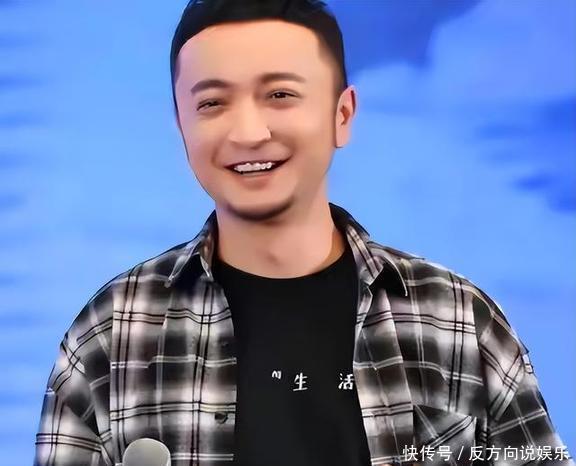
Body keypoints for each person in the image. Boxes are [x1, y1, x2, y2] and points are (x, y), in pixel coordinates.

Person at [34, 1, 573, 465]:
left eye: (280, 95)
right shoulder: (111, 332)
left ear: (343, 114)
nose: (249, 132)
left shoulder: (456, 317)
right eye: (212, 103)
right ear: (181, 125)